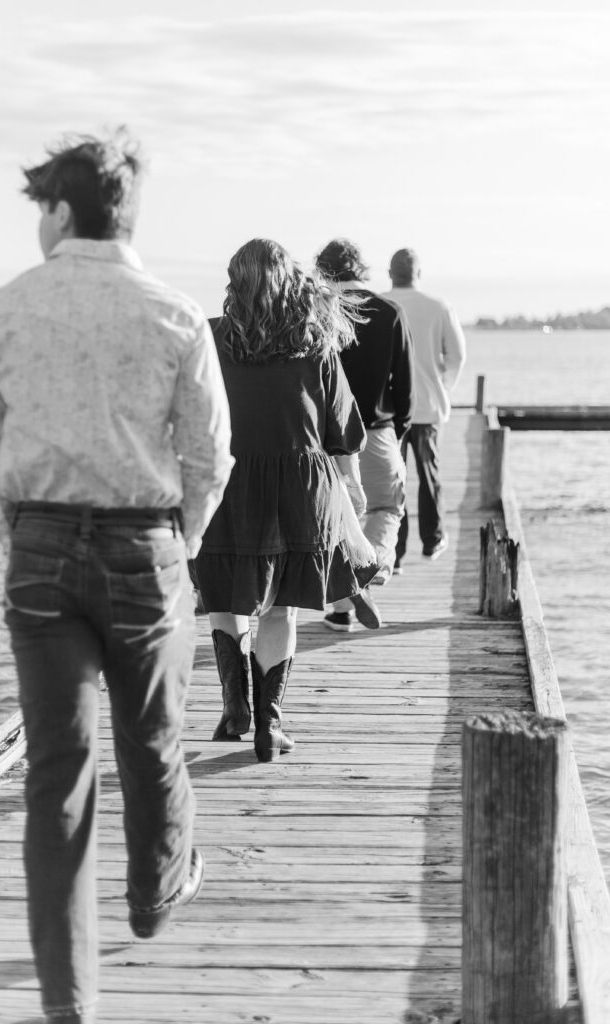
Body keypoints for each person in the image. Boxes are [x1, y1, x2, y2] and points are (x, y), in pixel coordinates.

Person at [0, 128, 233, 1024]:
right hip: (143, 546)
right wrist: (179, 538)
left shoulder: (3, 308)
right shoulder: (174, 313)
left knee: (57, 773)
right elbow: (210, 453)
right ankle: (154, 896)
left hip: (39, 552)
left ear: (63, 209)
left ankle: (68, 1001)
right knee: (152, 740)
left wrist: (13, 532)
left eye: (41, 208)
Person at [193, 237, 378, 762]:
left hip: (225, 485)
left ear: (235, 283)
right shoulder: (314, 342)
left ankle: (235, 709)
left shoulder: (210, 338)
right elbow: (342, 431)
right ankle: (268, 727)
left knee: (226, 599)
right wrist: (355, 489)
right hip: (302, 491)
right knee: (280, 613)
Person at [314, 238, 414, 630]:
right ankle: (372, 567)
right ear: (361, 268)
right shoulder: (391, 311)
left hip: (323, 435)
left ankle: (341, 609)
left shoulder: (316, 309)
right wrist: (399, 429)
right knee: (386, 507)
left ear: (324, 271)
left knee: (334, 520)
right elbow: (404, 385)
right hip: (376, 429)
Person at [381, 248, 466, 566]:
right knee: (429, 475)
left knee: (393, 480)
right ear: (419, 274)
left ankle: (395, 552)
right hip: (428, 406)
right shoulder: (439, 307)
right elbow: (457, 356)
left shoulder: (379, 304)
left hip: (387, 411)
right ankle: (432, 541)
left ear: (390, 273)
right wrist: (443, 386)